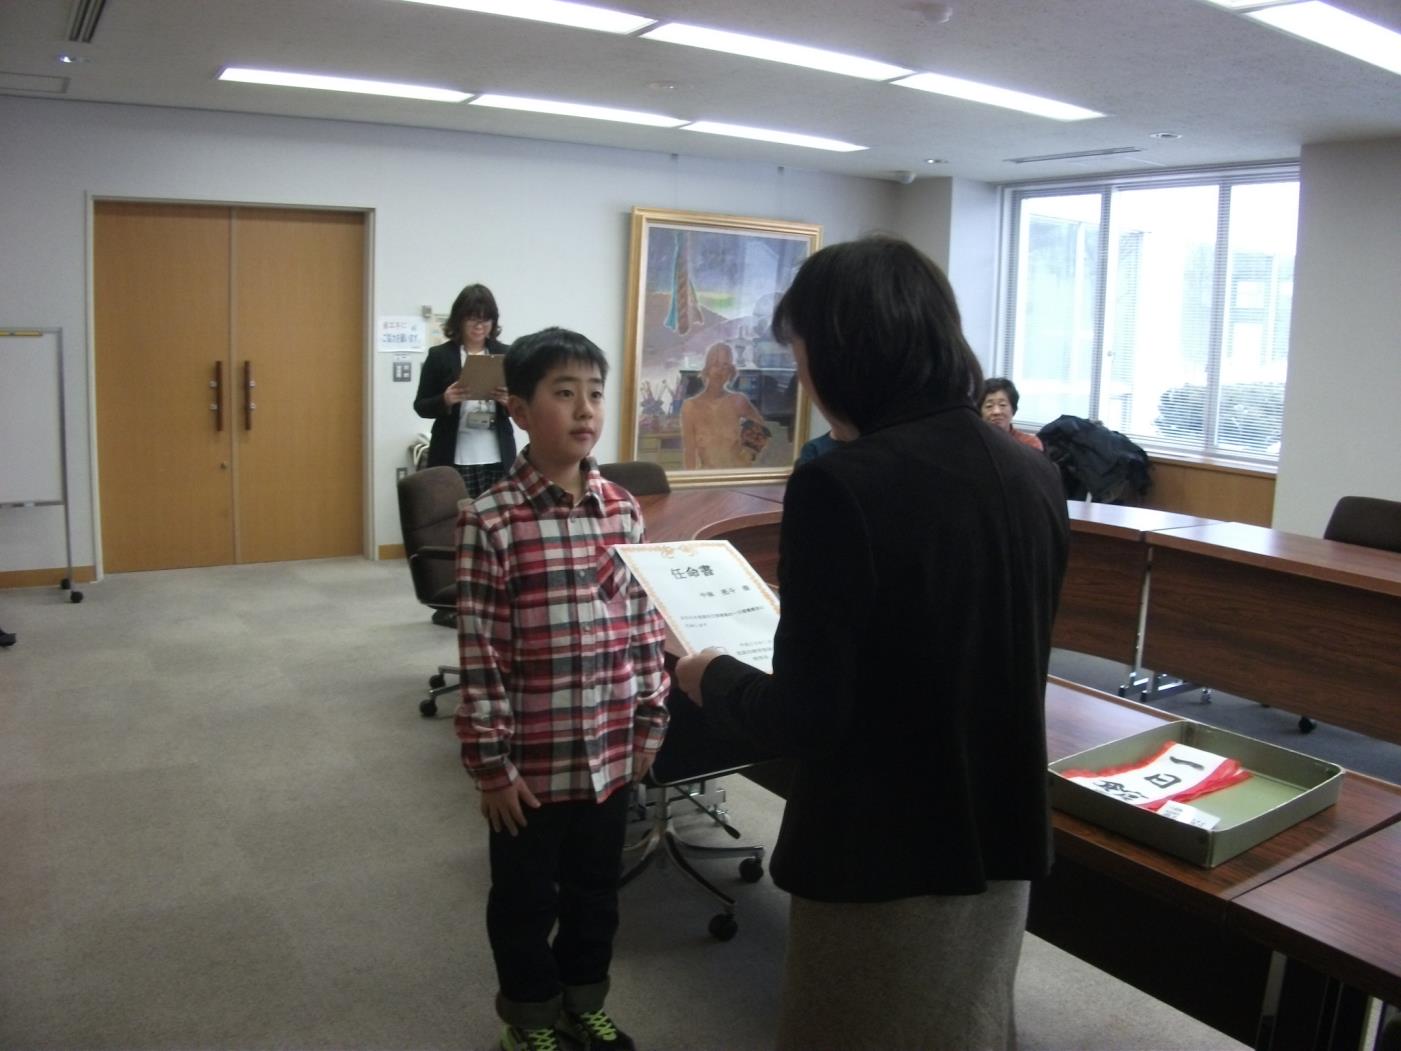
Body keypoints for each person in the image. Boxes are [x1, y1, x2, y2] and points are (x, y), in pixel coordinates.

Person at [675, 237, 1068, 1050]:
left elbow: (807, 717)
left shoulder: (840, 484)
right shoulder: (1034, 473)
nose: (805, 384)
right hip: (1000, 835)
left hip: (882, 852)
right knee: (969, 1025)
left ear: (842, 351)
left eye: (802, 356)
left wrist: (712, 676)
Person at [454, 327, 670, 1051]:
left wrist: (649, 721)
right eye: (563, 392)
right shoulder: (490, 520)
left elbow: (641, 624)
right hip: (530, 767)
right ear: (518, 408)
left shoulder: (621, 509)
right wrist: (490, 764)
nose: (585, 409)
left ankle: (584, 1000)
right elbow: (479, 652)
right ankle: (532, 1017)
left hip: (608, 755)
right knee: (521, 902)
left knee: (594, 897)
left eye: (596, 393)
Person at [415, 283, 517, 494]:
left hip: (498, 455)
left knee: (497, 518)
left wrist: (508, 402)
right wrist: (445, 399)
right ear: (459, 320)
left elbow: (523, 405)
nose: (479, 326)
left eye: (485, 319)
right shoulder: (440, 356)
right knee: (457, 518)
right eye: (472, 318)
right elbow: (421, 406)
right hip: (453, 455)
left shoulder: (506, 354)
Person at [680, 342, 768, 469]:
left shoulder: (739, 401)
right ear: (708, 368)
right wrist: (691, 483)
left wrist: (749, 453)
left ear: (730, 371)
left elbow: (763, 430)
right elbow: (689, 452)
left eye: (725, 365)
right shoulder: (690, 407)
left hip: (736, 476)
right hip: (708, 479)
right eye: (716, 364)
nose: (720, 370)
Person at [980, 376, 1045, 451]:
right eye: (989, 406)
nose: (996, 411)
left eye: (1002, 405)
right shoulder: (973, 442)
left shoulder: (1029, 443)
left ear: (1013, 409)